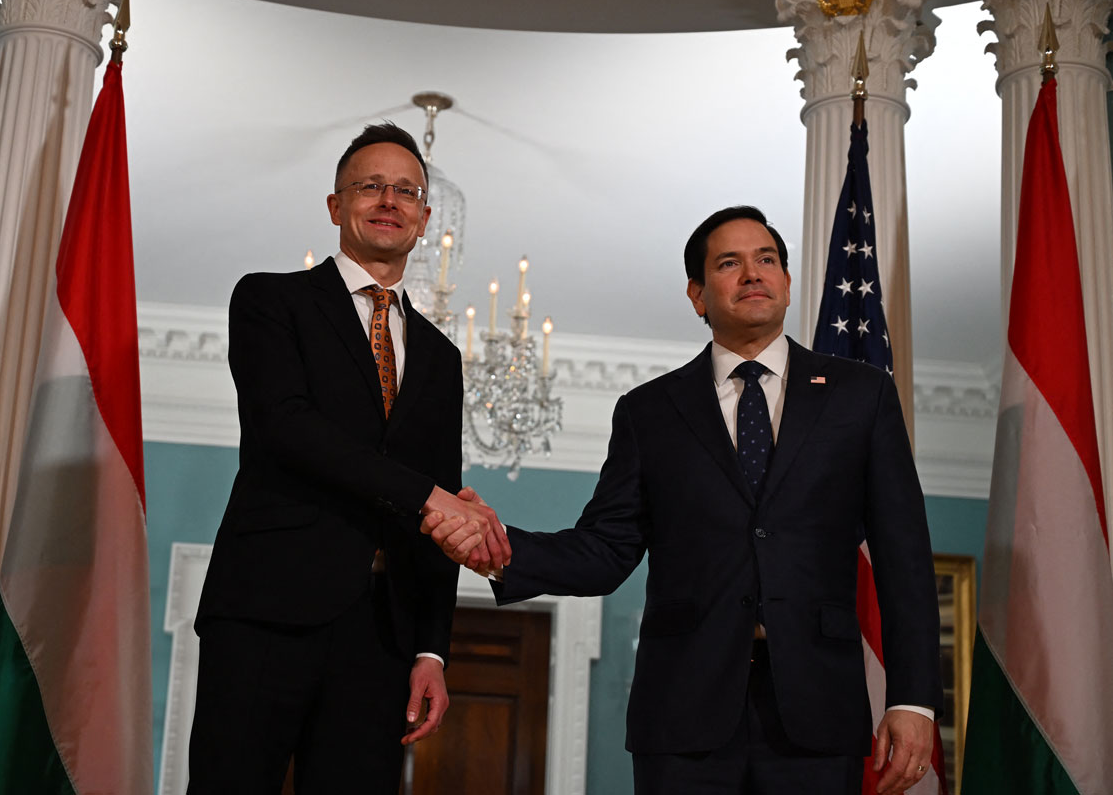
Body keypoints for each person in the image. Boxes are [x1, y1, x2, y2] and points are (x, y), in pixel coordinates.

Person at [426, 206, 941, 795]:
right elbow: (605, 549)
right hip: (682, 719)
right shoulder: (650, 412)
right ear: (698, 295)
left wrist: (914, 700)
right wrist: (498, 549)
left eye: (766, 260)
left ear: (788, 282)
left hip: (819, 714)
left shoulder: (860, 395)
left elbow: (903, 557)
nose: (753, 274)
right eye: (729, 263)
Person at [188, 122, 507, 794]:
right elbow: (286, 428)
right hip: (266, 612)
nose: (388, 199)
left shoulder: (442, 359)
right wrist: (431, 496)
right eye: (370, 186)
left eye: (406, 191)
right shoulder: (270, 300)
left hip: (382, 635)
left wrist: (431, 648)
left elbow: (440, 501)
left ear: (423, 218)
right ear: (336, 206)